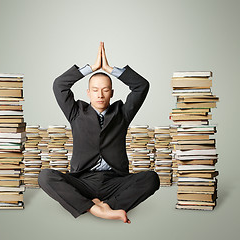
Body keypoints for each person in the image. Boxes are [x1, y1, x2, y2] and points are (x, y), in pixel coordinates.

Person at [38, 42, 160, 224]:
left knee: (152, 179)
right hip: (83, 180)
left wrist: (110, 69)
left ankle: (103, 204)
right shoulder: (76, 112)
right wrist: (91, 68)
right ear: (88, 93)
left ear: (112, 93)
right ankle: (98, 209)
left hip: (115, 181)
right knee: (45, 177)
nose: (100, 95)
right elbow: (59, 85)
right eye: (95, 90)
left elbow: (141, 86)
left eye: (105, 90)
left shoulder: (122, 113)